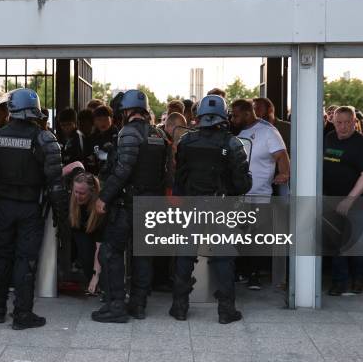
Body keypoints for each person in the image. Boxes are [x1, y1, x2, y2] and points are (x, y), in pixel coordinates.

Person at [0, 88, 65, 330]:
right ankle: (22, 314)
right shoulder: (45, 139)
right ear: (35, 110)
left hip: (2, 207)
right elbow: (56, 183)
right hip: (30, 208)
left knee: (1, 257)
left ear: (12, 109)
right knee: (25, 260)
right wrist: (62, 218)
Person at [171, 95, 252, 324]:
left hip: (192, 205)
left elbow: (180, 177)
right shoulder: (232, 143)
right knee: (223, 257)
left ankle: (179, 307)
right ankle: (226, 311)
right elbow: (241, 184)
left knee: (185, 254)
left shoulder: (186, 141)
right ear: (224, 116)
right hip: (221, 206)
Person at [92, 89, 169, 323]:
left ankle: (116, 306)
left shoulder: (128, 133)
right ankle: (138, 305)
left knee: (111, 252)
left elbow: (123, 169)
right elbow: (167, 173)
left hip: (128, 204)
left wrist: (104, 197)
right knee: (143, 256)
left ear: (126, 111)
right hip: (152, 204)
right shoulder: (159, 135)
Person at [230, 99, 290, 289]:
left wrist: (284, 173)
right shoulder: (238, 132)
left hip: (260, 193)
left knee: (256, 236)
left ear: (248, 114)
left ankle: (254, 275)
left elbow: (281, 155)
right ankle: (241, 272)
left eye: (236, 115)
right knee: (239, 236)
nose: (233, 118)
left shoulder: (268, 131)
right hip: (239, 195)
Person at [324, 106, 363, 296]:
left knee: (357, 242)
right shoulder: (328, 138)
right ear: (333, 122)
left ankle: (358, 280)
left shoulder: (361, 143)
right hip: (331, 200)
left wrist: (348, 200)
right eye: (339, 122)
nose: (343, 127)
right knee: (336, 242)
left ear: (355, 122)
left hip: (357, 202)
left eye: (347, 122)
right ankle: (339, 282)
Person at [69, 172, 104, 294]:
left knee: (91, 252)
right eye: (76, 192)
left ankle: (95, 280)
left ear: (92, 192)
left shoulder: (99, 208)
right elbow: (76, 164)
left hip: (96, 237)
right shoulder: (72, 202)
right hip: (79, 232)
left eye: (82, 193)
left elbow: (100, 244)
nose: (78, 196)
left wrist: (95, 276)